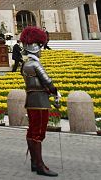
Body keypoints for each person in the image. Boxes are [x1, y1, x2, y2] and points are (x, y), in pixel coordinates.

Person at [21, 26, 59, 177]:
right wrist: (55, 92)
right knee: (39, 133)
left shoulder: (25, 64)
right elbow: (47, 81)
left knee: (32, 131)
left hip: (30, 100)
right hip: (40, 101)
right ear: (36, 48)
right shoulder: (35, 64)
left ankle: (34, 162)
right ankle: (40, 165)